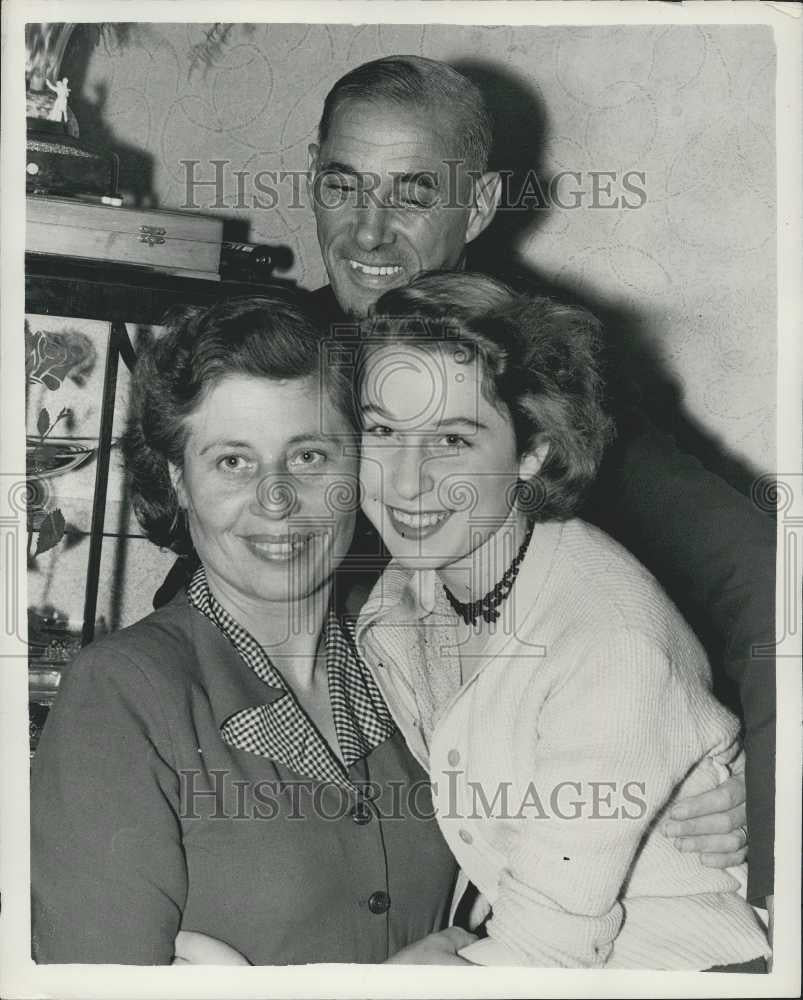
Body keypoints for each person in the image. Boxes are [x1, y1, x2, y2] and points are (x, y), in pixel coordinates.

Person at [153, 55, 771, 912]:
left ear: (477, 206)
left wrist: (768, 790)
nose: (367, 235)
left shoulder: (530, 367)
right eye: (343, 186)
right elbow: (189, 596)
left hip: (477, 826)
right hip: (291, 787)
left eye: (410, 194)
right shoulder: (276, 353)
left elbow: (765, 581)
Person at [30, 293, 475, 965]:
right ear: (178, 479)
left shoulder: (419, 652)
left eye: (309, 457)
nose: (276, 500)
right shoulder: (125, 695)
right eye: (232, 461)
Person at [352, 271, 770, 969]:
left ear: (533, 451)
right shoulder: (407, 592)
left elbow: (547, 951)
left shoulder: (607, 640)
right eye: (382, 431)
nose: (403, 480)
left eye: (452, 440)